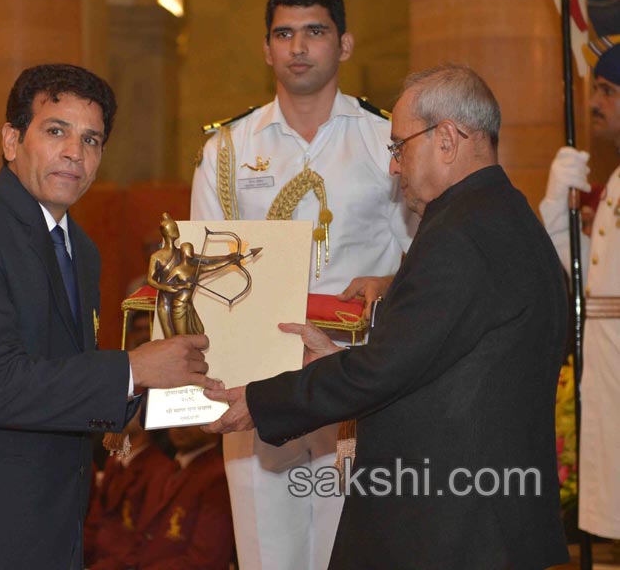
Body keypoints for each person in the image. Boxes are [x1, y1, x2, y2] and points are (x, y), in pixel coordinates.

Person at [206, 64, 570, 569]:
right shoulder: (508, 216)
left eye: (399, 147)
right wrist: (338, 358)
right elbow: (435, 360)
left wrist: (264, 398)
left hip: (450, 525)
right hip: (487, 517)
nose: (394, 167)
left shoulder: (460, 234)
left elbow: (386, 370)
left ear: (447, 139)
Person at [0, 63, 216, 570]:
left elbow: (64, 381)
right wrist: (133, 370)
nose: (76, 152)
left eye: (92, 140)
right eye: (57, 132)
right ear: (12, 141)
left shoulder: (84, 251)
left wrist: (174, 393)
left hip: (50, 528)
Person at [189, 0, 413, 569]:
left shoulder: (386, 141)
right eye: (284, 34)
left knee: (353, 549)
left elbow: (426, 260)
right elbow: (202, 278)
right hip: (260, 378)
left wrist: (387, 285)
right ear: (266, 49)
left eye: (314, 31)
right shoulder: (229, 149)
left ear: (343, 44)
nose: (298, 47)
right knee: (268, 552)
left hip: (358, 375)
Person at [539, 33, 620, 540]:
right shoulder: (615, 183)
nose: (593, 102)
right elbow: (590, 284)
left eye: (608, 90)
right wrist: (555, 213)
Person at [129, 427, 234, 570]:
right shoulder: (164, 471)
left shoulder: (219, 477)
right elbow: (139, 541)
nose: (181, 426)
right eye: (175, 417)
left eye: (192, 418)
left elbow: (205, 561)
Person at [84, 410, 175, 569]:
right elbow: (94, 522)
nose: (121, 409)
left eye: (133, 403)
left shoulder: (160, 469)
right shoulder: (114, 462)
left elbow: (143, 542)